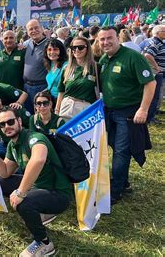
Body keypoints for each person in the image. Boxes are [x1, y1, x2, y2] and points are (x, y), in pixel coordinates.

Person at [0, 108, 73, 257]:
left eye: (10, 121)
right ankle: (41, 212)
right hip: (38, 188)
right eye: (2, 124)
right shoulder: (12, 144)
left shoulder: (34, 137)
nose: (7, 126)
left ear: (19, 121)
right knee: (1, 182)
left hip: (59, 194)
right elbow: (6, 171)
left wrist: (21, 192)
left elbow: (39, 159)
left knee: (24, 202)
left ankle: (44, 243)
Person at [97, 27, 156, 204]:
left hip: (128, 112)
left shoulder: (133, 57)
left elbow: (150, 83)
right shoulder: (104, 59)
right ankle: (123, 181)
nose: (106, 42)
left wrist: (143, 109)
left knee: (121, 151)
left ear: (118, 38)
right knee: (115, 147)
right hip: (109, 111)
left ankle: (115, 191)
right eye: (102, 40)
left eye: (109, 38)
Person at [55, 36, 99, 120]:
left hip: (86, 109)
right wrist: (57, 110)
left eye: (81, 47)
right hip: (67, 107)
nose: (77, 50)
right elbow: (61, 91)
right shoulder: (66, 68)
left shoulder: (95, 67)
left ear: (87, 49)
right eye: (74, 47)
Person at [23, 19, 48, 113]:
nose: (34, 31)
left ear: (42, 28)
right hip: (26, 87)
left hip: (41, 87)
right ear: (28, 33)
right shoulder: (28, 44)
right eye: (30, 29)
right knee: (29, 114)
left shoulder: (49, 45)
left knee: (41, 115)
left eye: (36, 28)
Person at [143, 24, 165, 122]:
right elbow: (147, 55)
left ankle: (151, 116)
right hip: (156, 73)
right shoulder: (156, 42)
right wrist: (156, 67)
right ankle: (150, 118)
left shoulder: (158, 42)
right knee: (154, 96)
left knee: (155, 96)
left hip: (157, 73)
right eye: (164, 31)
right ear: (157, 33)